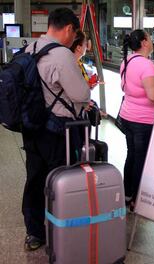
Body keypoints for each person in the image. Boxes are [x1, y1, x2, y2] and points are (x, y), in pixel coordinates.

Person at [21, 8, 90, 250]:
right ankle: (61, 230)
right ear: (69, 29)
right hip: (56, 130)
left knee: (34, 179)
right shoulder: (62, 54)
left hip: (31, 125)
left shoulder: (30, 48)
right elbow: (81, 93)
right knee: (61, 180)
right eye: (74, 35)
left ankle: (34, 232)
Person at [119, 29, 154, 210]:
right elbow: (153, 96)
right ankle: (136, 199)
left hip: (127, 117)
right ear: (144, 42)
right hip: (143, 121)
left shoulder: (127, 61)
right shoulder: (146, 65)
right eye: (150, 38)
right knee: (141, 159)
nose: (153, 41)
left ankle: (127, 193)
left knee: (131, 155)